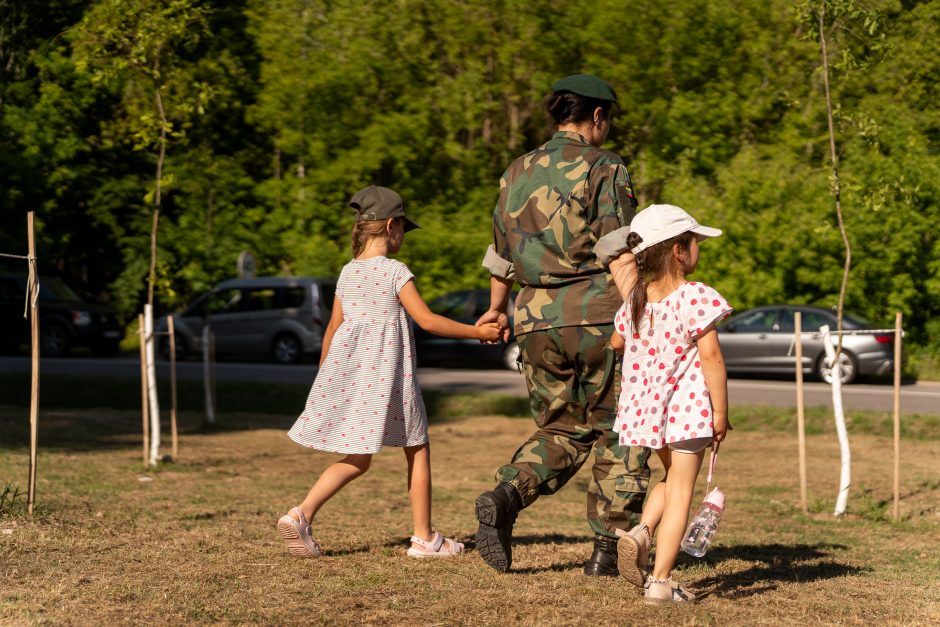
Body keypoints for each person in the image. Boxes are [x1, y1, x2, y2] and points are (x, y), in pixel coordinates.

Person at [474, 73, 650, 576]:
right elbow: (617, 248)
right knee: (621, 427)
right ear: (597, 116)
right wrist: (641, 309)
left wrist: (494, 309)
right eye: (609, 119)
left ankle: (507, 495)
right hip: (598, 316)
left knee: (561, 427)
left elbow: (500, 257)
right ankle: (606, 550)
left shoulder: (515, 170)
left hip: (532, 320)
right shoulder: (605, 166)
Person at [278, 185, 502, 559]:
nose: (403, 238)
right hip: (391, 381)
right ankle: (424, 538)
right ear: (392, 226)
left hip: (355, 382)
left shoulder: (348, 274)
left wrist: (324, 379)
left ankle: (301, 514)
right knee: (417, 450)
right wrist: (478, 332)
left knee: (357, 458)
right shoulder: (395, 271)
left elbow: (333, 329)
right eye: (403, 230)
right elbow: (427, 321)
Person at [609, 204, 731, 603]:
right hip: (687, 413)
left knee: (671, 477)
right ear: (678, 249)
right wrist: (721, 414)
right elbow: (712, 358)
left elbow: (616, 342)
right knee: (682, 491)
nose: (698, 250)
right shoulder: (695, 297)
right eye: (695, 242)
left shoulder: (637, 302)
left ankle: (643, 532)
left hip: (650, 413)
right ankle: (660, 581)